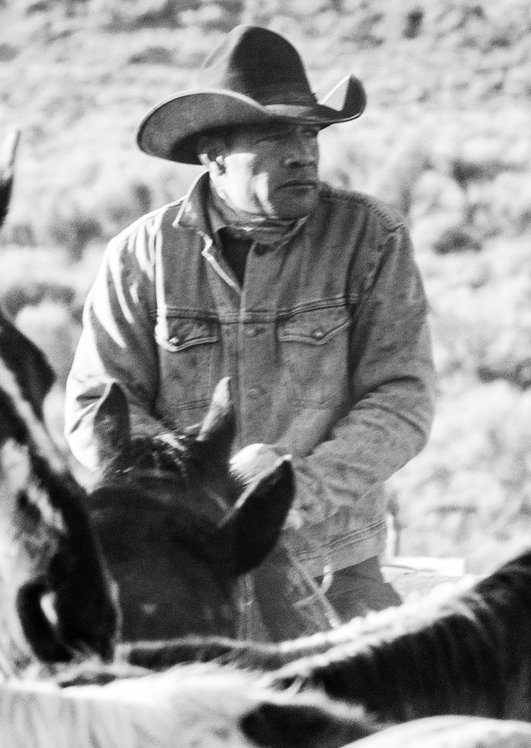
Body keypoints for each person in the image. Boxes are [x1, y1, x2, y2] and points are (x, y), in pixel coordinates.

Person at [67, 24, 433, 635]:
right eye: (274, 133)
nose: (303, 152)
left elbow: (402, 401)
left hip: (335, 569)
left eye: (309, 131)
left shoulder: (370, 240)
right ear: (213, 154)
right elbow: (95, 408)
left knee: (371, 718)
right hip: (178, 577)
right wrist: (204, 489)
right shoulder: (142, 255)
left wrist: (293, 493)